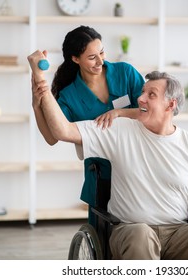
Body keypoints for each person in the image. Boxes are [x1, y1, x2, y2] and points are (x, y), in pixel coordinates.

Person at [28, 51, 188, 259]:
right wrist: (42, 85)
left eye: (151, 95)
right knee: (141, 234)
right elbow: (63, 131)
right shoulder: (118, 129)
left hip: (179, 233)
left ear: (171, 104)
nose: (140, 99)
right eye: (142, 92)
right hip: (130, 231)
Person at [30, 26, 145, 218]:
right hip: (102, 176)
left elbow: (149, 111)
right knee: (103, 237)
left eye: (101, 52)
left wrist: (119, 113)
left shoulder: (125, 73)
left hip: (138, 166)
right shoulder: (69, 95)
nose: (100, 61)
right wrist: (36, 106)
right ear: (75, 59)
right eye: (92, 57)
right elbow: (52, 137)